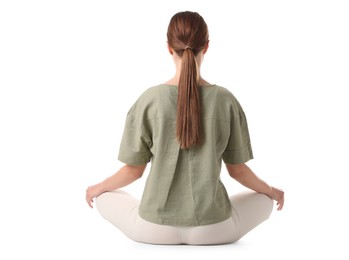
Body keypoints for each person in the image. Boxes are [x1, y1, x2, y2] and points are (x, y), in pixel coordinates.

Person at [86, 10, 284, 245]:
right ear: (207, 47)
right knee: (263, 200)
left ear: (169, 47)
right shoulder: (226, 100)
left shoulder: (149, 99)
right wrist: (271, 190)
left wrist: (96, 188)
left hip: (153, 228)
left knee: (105, 197)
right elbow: (237, 171)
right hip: (214, 229)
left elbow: (133, 171)